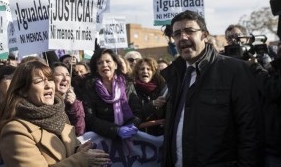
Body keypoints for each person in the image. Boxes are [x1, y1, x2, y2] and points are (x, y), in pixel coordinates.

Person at [160, 10, 263, 167]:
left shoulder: (234, 70)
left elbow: (251, 130)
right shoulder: (174, 74)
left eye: (189, 31)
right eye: (177, 33)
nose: (183, 37)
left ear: (205, 35)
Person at [0, 61, 110, 167]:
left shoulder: (60, 115)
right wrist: (81, 160)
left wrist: (79, 150)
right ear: (23, 91)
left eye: (50, 79)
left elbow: (68, 152)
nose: (48, 85)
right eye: (39, 81)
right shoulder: (15, 130)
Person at [81, 48, 141, 140]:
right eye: (100, 63)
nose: (104, 65)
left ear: (116, 65)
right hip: (102, 141)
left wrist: (132, 126)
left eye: (108, 61)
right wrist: (116, 130)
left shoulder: (127, 83)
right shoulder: (89, 87)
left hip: (129, 139)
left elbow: (137, 111)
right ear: (96, 68)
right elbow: (90, 119)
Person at [132, 57, 167, 136]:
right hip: (140, 137)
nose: (145, 71)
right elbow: (134, 115)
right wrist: (152, 104)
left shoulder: (162, 88)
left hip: (160, 135)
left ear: (154, 72)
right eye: (142, 69)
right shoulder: (131, 89)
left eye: (149, 69)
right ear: (137, 72)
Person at [51, 62, 85, 136]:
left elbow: (79, 131)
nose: (65, 78)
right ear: (50, 79)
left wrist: (72, 106)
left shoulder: (76, 103)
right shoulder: (45, 102)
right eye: (59, 75)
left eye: (67, 75)